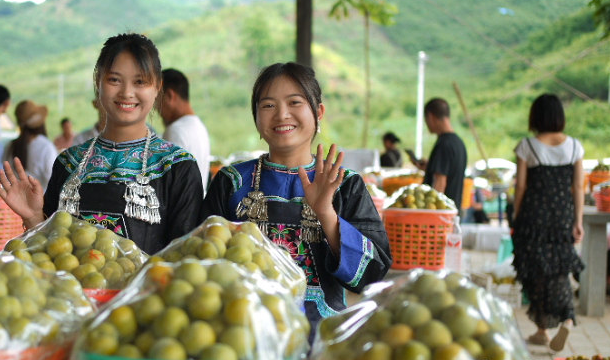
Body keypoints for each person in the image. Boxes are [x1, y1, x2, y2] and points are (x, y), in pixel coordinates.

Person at [201, 62, 391, 342]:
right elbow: (201, 260)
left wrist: (326, 213)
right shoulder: (231, 182)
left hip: (322, 342)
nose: (282, 114)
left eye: (294, 102)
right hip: (242, 338)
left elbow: (372, 276)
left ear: (318, 112)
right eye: (267, 105)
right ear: (255, 117)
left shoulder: (345, 186)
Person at [0, 33, 204, 254]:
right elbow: (49, 255)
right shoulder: (68, 164)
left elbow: (184, 263)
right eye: (114, 79)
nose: (126, 92)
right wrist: (33, 217)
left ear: (157, 88)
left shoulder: (178, 168)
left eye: (140, 81)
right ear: (98, 83)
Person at [512, 93, 584, 351]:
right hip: (562, 218)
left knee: (534, 270)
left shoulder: (527, 146)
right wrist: (578, 221)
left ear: (536, 117)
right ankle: (553, 325)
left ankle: (553, 324)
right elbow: (578, 186)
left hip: (534, 217)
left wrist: (516, 215)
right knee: (559, 269)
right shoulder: (575, 146)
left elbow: (520, 186)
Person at [161, 69, 211, 189]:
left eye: (156, 101)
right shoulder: (199, 127)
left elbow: (169, 186)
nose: (157, 111)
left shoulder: (175, 131)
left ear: (169, 96)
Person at [417, 98, 467, 211]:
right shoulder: (458, 143)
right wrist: (430, 167)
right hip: (451, 212)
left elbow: (440, 183)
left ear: (430, 117)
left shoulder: (444, 144)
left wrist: (429, 215)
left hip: (440, 217)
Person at [3, 100, 59, 193]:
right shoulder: (46, 147)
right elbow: (53, 181)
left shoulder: (10, 146)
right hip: (40, 202)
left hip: (14, 201)